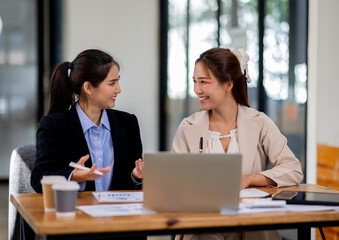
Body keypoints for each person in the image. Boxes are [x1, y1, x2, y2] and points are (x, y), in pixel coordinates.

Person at [171, 47, 304, 240]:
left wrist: (250, 179)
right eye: (194, 82)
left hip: (249, 223)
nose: (197, 90)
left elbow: (293, 169)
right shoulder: (188, 126)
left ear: (228, 84)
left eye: (203, 82)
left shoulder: (259, 122)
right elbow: (173, 179)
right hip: (203, 223)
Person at [31, 49, 144, 195]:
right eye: (112, 83)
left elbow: (129, 183)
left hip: (118, 215)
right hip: (74, 213)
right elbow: (39, 179)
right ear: (88, 87)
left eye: (118, 81)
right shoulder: (53, 125)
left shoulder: (128, 123)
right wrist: (74, 176)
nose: (119, 89)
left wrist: (136, 176)